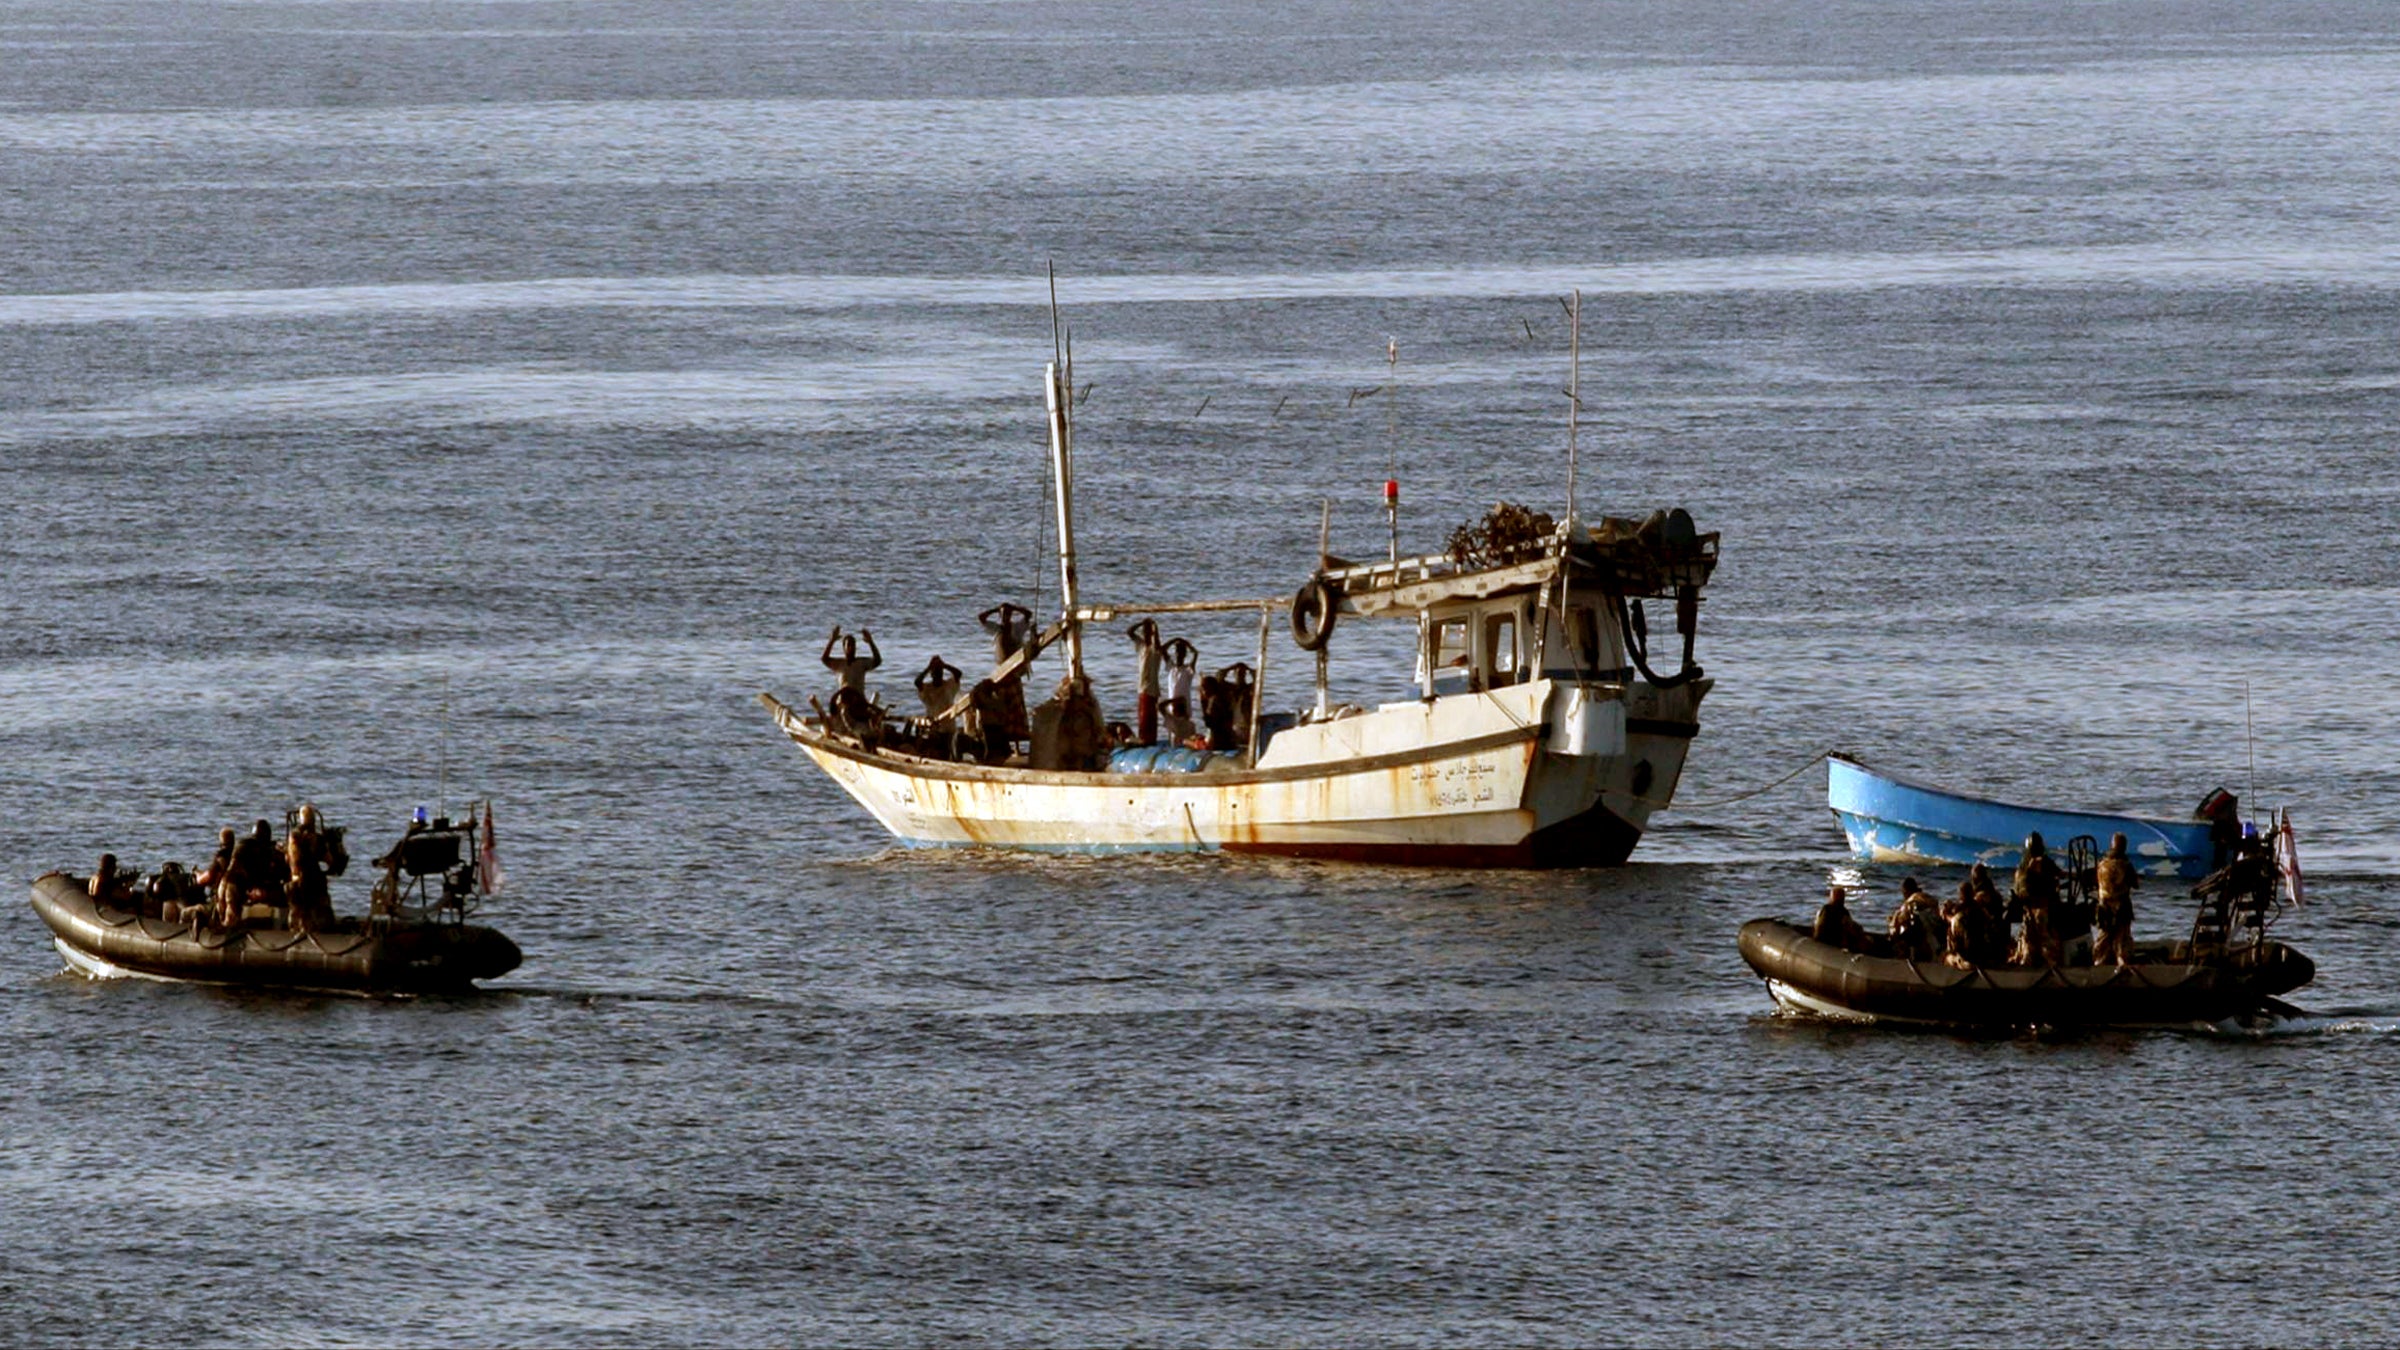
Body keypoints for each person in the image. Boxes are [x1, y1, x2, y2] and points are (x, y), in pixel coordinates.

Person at [284, 803, 348, 933]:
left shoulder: (293, 839)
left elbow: (290, 860)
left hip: (298, 882)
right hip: (315, 881)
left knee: (297, 914)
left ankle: (297, 930)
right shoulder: (318, 839)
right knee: (322, 910)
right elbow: (330, 861)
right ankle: (323, 930)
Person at [2011, 833, 2065, 966]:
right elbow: (2060, 874)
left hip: (2028, 911)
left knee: (2029, 941)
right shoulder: (2043, 863)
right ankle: (2054, 965)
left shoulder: (2021, 867)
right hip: (2043, 910)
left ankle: (2027, 963)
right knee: (2046, 943)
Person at [2092, 832, 2139, 966]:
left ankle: (2098, 967)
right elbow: (2135, 884)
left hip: (2104, 908)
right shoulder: (2126, 866)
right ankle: (2123, 969)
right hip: (2121, 908)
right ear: (2124, 847)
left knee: (2103, 941)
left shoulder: (2101, 864)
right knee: (2122, 942)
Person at [1126, 619, 1164, 746]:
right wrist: (1141, 623)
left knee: (1151, 718)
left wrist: (1155, 629)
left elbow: (1158, 645)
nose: (1146, 634)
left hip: (1152, 688)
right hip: (1144, 687)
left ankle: (1150, 740)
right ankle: (1144, 739)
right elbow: (1129, 631)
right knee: (1144, 718)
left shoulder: (1155, 649)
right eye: (1145, 632)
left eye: (1148, 632)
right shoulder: (1141, 646)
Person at [1886, 878, 1942, 961]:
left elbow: (1894, 933)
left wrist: (1893, 920)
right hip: (1936, 940)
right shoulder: (1930, 899)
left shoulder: (1909, 904)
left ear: (1905, 892)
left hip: (1920, 943)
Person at [1160, 637, 1199, 747]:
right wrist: (1175, 639)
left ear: (1184, 655)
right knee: (1173, 734)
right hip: (1172, 706)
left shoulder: (1188, 670)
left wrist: (1188, 645)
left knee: (1186, 733)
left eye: (1181, 653)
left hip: (1184, 706)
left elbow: (1195, 654)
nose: (1179, 655)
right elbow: (1162, 649)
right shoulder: (1171, 668)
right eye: (1177, 652)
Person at [1812, 884, 1868, 951]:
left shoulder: (1823, 910)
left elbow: (1816, 925)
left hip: (1820, 941)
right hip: (1834, 943)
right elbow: (1851, 927)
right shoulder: (1842, 912)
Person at [913, 655, 962, 719]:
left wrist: (944, 665)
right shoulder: (927, 689)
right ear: (931, 674)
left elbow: (958, 674)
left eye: (939, 672)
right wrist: (929, 668)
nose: (937, 674)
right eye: (935, 672)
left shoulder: (949, 686)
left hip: (948, 725)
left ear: (942, 673)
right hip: (933, 724)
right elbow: (917, 682)